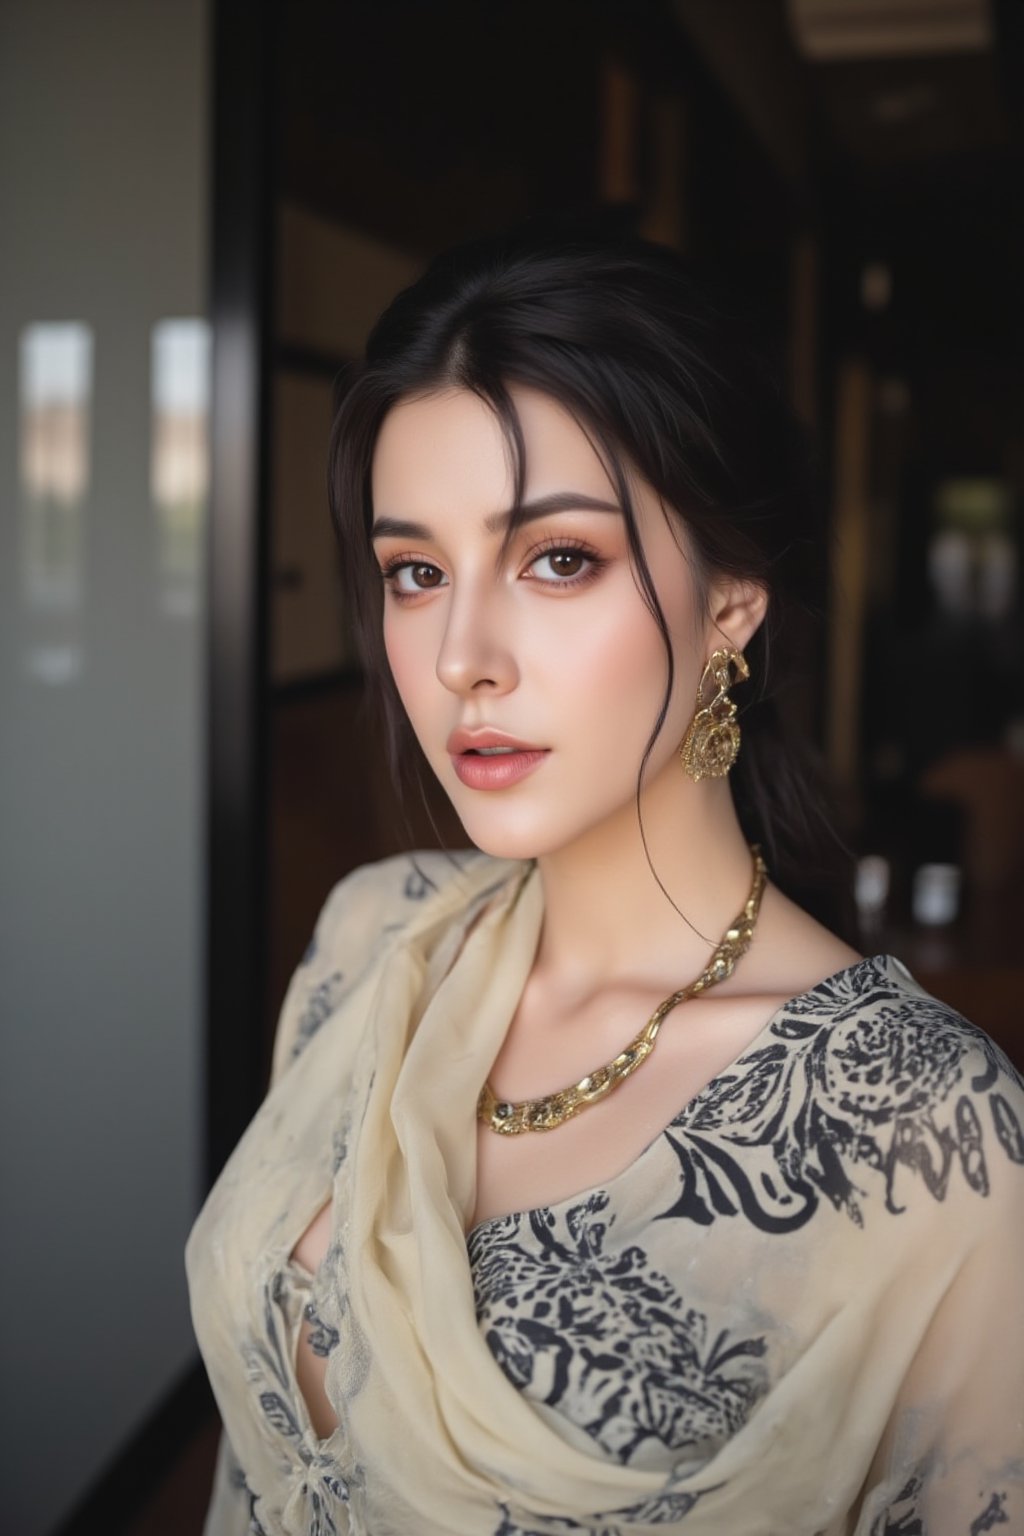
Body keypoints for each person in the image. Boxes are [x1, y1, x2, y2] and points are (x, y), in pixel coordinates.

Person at [186, 229, 1024, 1536]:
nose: (464, 654)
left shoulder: (929, 1135)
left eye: (557, 558)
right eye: (417, 572)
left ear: (733, 596)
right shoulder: (375, 934)